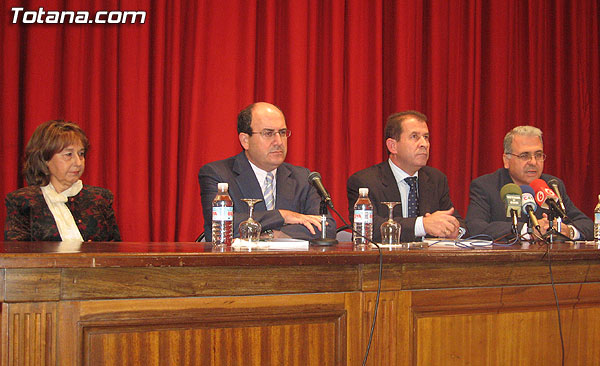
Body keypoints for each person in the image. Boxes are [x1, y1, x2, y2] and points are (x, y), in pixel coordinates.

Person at [198, 102, 336, 241]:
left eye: (282, 133)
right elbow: (223, 225)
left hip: (292, 262)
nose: (279, 141)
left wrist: (273, 236)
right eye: (268, 133)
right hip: (237, 262)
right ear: (245, 140)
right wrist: (283, 216)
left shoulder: (303, 178)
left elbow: (326, 228)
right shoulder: (218, 175)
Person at [347, 110, 465, 243]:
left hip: (429, 261)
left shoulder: (436, 179)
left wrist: (454, 230)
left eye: (426, 137)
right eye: (414, 136)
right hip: (384, 262)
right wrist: (422, 225)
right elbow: (367, 230)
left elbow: (457, 221)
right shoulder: (365, 181)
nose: (424, 144)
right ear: (393, 146)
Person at [466, 126, 593, 240]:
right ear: (506, 160)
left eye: (538, 155)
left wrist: (568, 231)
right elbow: (475, 228)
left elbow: (587, 225)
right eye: (524, 156)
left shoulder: (552, 185)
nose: (533, 162)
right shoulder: (485, 186)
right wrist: (528, 230)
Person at [5, 120, 121, 241]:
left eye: (81, 154)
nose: (78, 162)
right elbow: (17, 255)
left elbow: (115, 252)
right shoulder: (22, 201)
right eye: (68, 154)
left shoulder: (100, 199)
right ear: (45, 158)